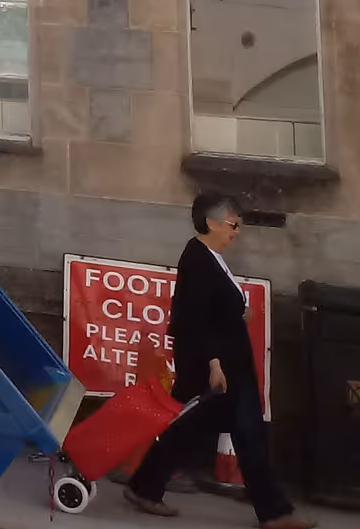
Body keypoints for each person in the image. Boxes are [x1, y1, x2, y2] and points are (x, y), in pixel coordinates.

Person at [125, 192, 312, 529]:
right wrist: (213, 363)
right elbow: (194, 318)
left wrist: (239, 311)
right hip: (220, 367)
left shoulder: (209, 257)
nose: (236, 231)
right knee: (248, 433)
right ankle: (275, 513)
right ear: (210, 222)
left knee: (189, 430)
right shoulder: (198, 259)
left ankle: (145, 488)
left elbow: (214, 307)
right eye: (232, 224)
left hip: (225, 362)